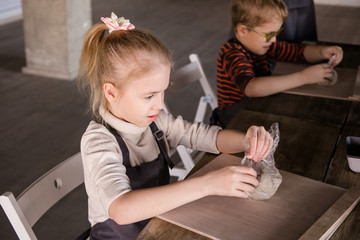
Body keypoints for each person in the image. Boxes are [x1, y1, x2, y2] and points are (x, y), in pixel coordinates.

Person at [77, 12, 273, 239]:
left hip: (160, 226)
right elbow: (121, 209)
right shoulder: (99, 141)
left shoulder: (155, 122)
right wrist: (207, 184)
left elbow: (204, 136)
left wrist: (245, 140)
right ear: (111, 92)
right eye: (149, 96)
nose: (160, 104)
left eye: (162, 92)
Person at [213, 0, 343, 128]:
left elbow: (298, 52)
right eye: (269, 34)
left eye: (276, 33)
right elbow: (252, 88)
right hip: (235, 122)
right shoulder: (231, 53)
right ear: (243, 30)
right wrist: (304, 77)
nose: (274, 40)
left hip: (259, 110)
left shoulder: (264, 45)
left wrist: (322, 51)